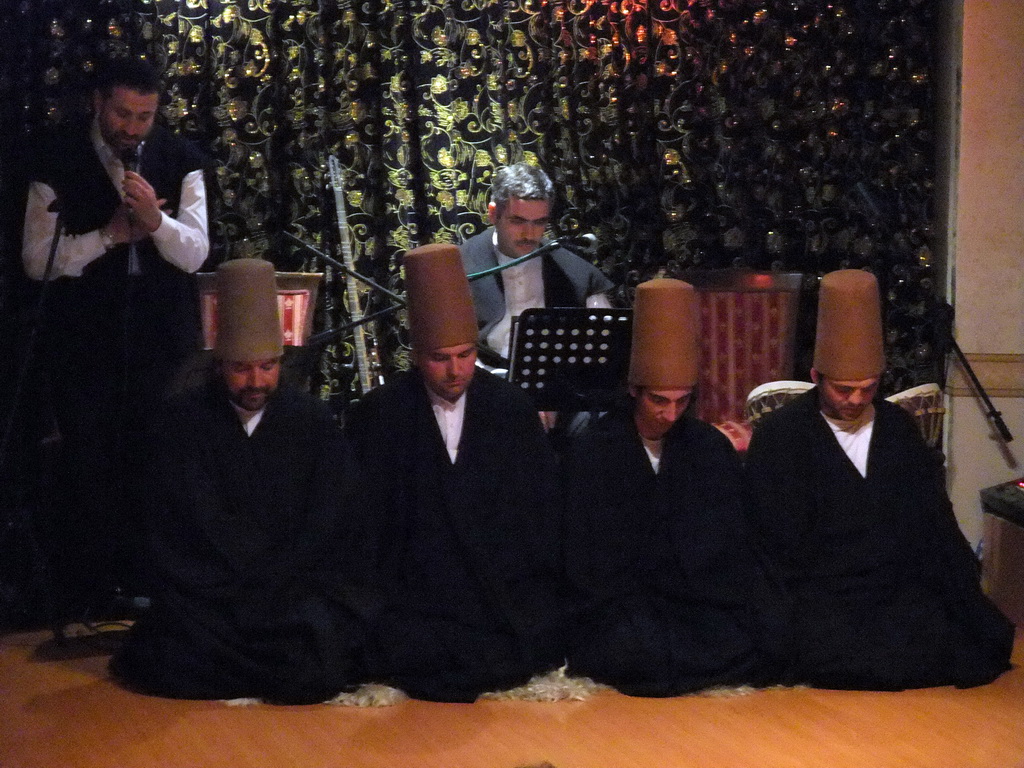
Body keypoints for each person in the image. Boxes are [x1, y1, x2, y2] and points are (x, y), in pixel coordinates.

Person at [745, 269, 1014, 690]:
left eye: (867, 390)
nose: (854, 400)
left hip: (893, 590)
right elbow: (770, 544)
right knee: (824, 646)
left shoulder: (897, 429)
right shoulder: (782, 435)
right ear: (817, 378)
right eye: (842, 390)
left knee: (959, 638)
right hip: (822, 594)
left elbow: (934, 524)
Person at [110, 259, 365, 703]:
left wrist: (278, 579)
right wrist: (223, 585)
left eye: (267, 367)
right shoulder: (182, 421)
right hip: (209, 596)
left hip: (286, 591)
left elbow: (330, 520)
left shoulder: (311, 421)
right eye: (242, 368)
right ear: (220, 362)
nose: (255, 381)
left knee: (319, 654)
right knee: (167, 654)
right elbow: (167, 524)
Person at [21, 57, 210, 616]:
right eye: (122, 114)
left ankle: (154, 586)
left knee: (160, 464)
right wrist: (109, 235)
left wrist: (155, 222)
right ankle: (91, 590)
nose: (132, 128)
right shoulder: (54, 157)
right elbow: (37, 260)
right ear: (97, 103)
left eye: (144, 117)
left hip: (162, 342)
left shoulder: (183, 161)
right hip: (84, 342)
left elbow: (196, 251)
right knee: (90, 464)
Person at [344, 243, 568, 702]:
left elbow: (537, 514)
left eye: (465, 355)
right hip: (412, 590)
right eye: (440, 358)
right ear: (416, 355)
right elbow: (365, 525)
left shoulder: (509, 409)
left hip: (494, 587)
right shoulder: (380, 414)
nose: (454, 371)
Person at [561, 278, 790, 696]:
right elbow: (585, 553)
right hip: (625, 602)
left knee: (752, 638)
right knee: (627, 648)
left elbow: (729, 541)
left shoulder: (707, 447)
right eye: (658, 401)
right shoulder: (595, 448)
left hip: (695, 598)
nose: (669, 414)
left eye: (681, 401)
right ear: (634, 391)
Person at [460, 162, 613, 366]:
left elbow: (605, 339)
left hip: (553, 376)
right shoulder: (459, 264)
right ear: (493, 214)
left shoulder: (572, 269)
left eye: (539, 222)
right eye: (518, 221)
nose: (529, 234)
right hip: (482, 379)